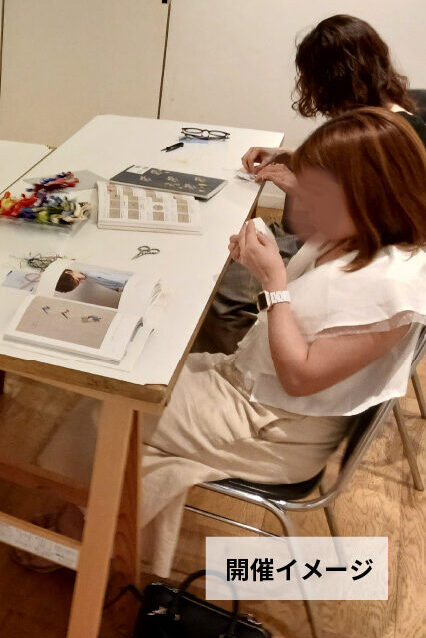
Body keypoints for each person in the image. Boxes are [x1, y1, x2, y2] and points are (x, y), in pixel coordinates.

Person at [29, 108, 426, 579]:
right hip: (252, 389)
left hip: (275, 428)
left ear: (365, 194)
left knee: (114, 403)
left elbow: (299, 378)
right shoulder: (368, 233)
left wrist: (272, 281)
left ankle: (82, 535)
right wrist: (298, 185)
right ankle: (101, 529)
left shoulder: (395, 288)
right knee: (133, 372)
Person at [193, 14, 426, 355]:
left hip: (348, 257)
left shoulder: (392, 135)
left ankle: (243, 360)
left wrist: (302, 191)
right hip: (328, 242)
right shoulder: (375, 118)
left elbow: (374, 225)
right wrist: (291, 156)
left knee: (223, 287)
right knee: (224, 255)